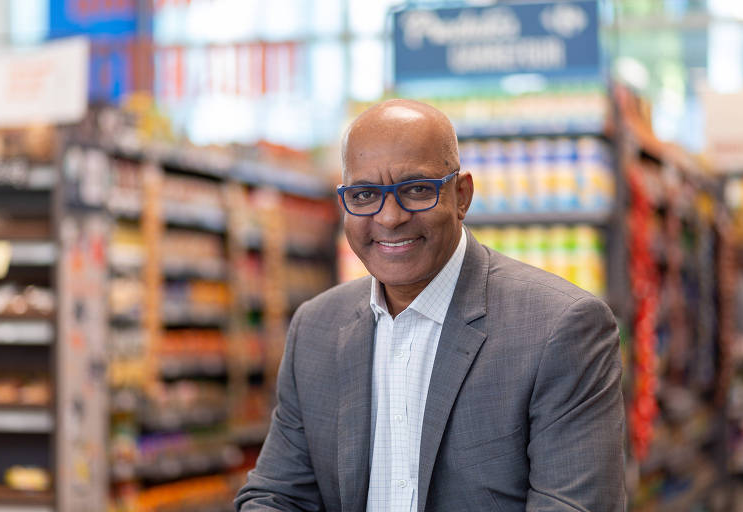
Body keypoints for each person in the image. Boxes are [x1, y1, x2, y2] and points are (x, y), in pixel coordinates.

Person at [235, 99, 625, 511]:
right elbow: (276, 495)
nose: (389, 217)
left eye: (416, 190)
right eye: (365, 194)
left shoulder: (561, 328)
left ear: (461, 195)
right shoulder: (316, 328)